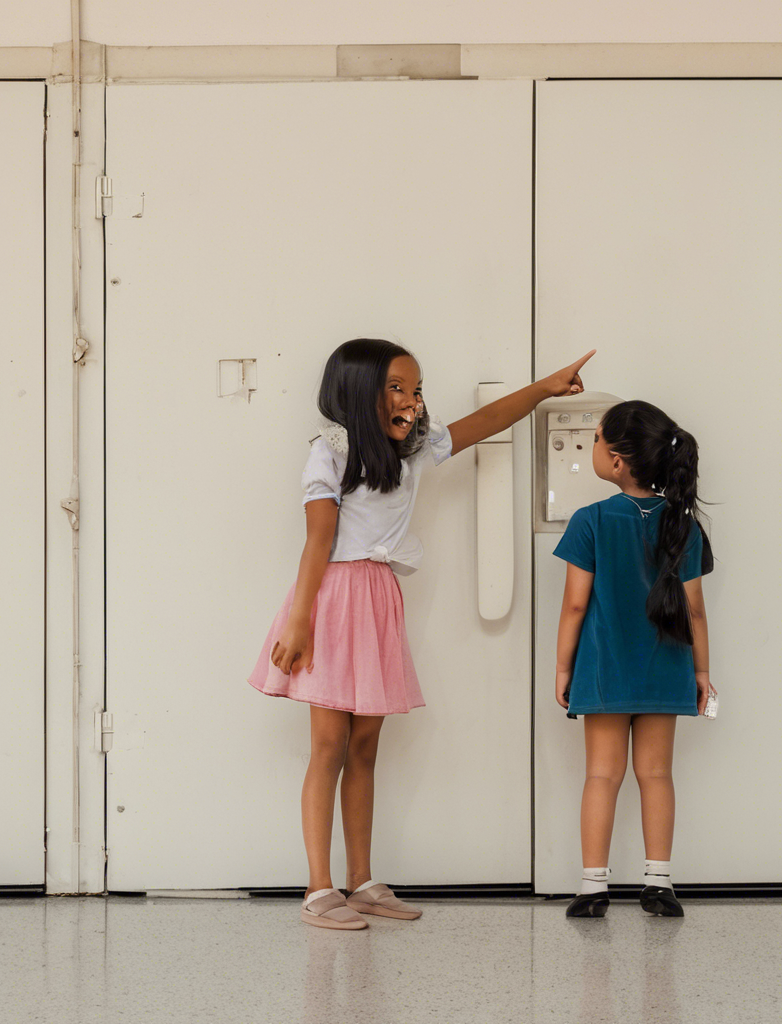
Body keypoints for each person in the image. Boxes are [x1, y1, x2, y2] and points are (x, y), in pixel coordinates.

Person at [248, 337, 595, 930]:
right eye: (396, 388)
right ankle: (318, 888)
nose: (411, 400)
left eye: (415, 389)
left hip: (379, 597)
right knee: (328, 748)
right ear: (358, 390)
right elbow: (318, 540)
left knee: (365, 749)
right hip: (333, 599)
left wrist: (544, 388)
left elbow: (484, 423)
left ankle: (361, 881)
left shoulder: (409, 451)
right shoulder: (330, 452)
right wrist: (299, 619)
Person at [552, 399, 716, 919]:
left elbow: (575, 605)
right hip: (666, 669)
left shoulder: (592, 521)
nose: (593, 447)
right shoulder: (682, 524)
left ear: (617, 460)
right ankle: (659, 884)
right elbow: (696, 611)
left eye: (596, 439)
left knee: (602, 776)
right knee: (657, 775)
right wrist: (702, 672)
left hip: (605, 670)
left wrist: (563, 668)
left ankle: (592, 887)